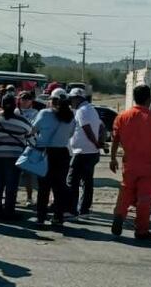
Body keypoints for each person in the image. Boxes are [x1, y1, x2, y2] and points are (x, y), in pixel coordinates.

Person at [110, 85, 151, 240]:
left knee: (126, 192)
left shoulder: (122, 116)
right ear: (149, 99)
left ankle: (119, 214)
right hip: (149, 166)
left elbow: (115, 139)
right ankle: (141, 230)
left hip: (129, 163)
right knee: (145, 199)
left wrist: (112, 158)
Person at [32, 89, 77, 226]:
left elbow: (33, 130)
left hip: (46, 153)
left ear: (53, 100)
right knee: (59, 187)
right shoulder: (70, 116)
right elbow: (70, 135)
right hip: (63, 153)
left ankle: (41, 217)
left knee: (44, 187)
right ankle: (58, 217)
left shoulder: (44, 113)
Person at [0, 94, 33, 220]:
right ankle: (9, 212)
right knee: (11, 185)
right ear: (15, 104)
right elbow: (31, 136)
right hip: (13, 156)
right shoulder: (22, 121)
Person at [67, 87, 103, 217]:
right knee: (87, 182)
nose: (70, 101)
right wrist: (98, 144)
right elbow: (101, 126)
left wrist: (95, 142)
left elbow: (87, 129)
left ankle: (71, 209)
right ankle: (84, 209)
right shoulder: (92, 109)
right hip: (91, 152)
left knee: (72, 180)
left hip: (82, 152)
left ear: (77, 98)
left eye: (71, 99)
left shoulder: (81, 111)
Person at [17, 91, 40, 207]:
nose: (25, 100)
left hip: (28, 146)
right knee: (13, 173)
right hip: (15, 145)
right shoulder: (15, 111)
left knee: (28, 174)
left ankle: (29, 198)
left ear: (31, 100)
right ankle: (11, 196)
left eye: (28, 98)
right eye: (23, 98)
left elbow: (34, 128)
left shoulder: (35, 113)